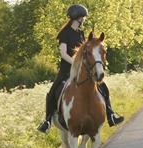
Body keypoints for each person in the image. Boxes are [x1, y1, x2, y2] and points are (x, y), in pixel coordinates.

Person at [37, 4, 124, 133]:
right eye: (83, 17)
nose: (84, 19)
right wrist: (75, 63)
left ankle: (111, 115)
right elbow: (63, 53)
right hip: (67, 70)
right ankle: (47, 120)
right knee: (52, 92)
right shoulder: (64, 33)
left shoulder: (81, 33)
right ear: (76, 17)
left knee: (103, 87)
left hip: (83, 70)